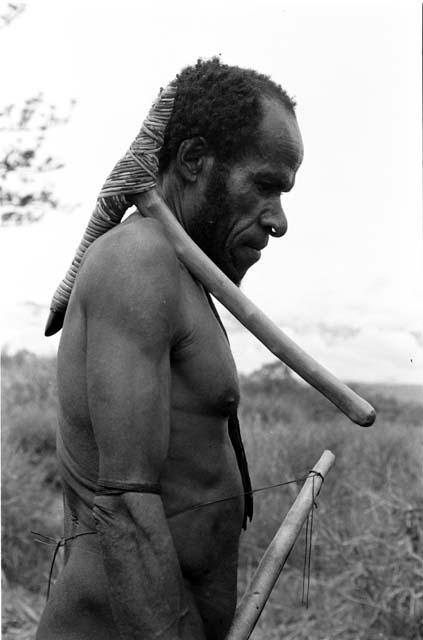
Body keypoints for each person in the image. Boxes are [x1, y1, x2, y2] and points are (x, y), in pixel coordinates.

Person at [36, 58, 304, 640]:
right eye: (265, 185)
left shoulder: (182, 273)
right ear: (192, 161)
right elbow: (126, 504)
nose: (279, 221)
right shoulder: (139, 262)